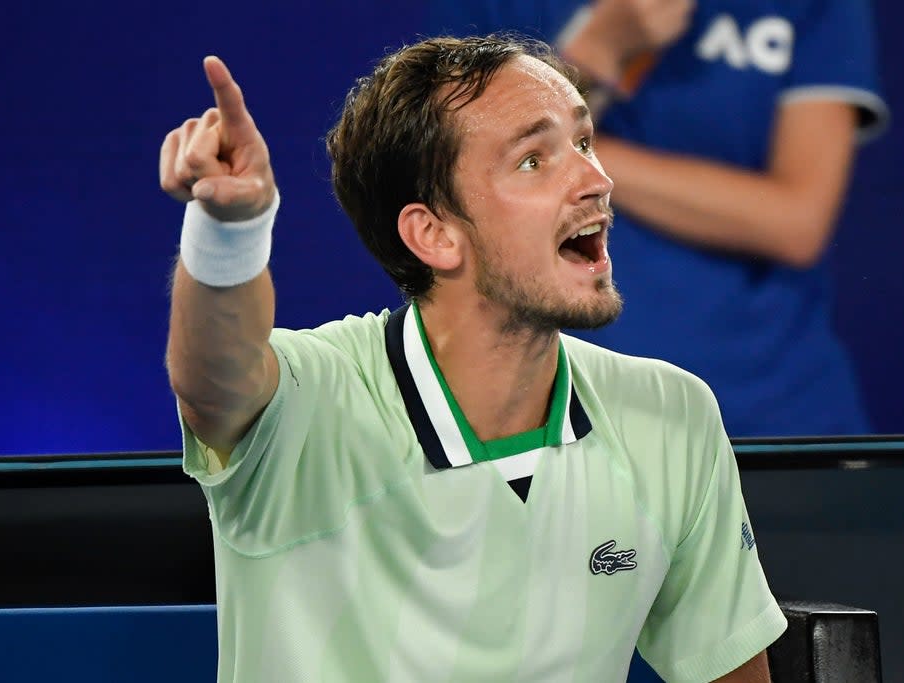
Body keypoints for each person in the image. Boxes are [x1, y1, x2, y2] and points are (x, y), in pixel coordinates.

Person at [161, 36, 785, 682]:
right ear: (434, 234)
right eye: (532, 160)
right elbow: (212, 372)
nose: (597, 180)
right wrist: (229, 233)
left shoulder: (672, 416)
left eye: (583, 142)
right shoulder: (308, 400)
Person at [427, 0, 890, 437]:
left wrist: (552, 160)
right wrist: (599, 49)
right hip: (555, 407)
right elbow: (462, 171)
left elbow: (797, 221)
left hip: (769, 413)